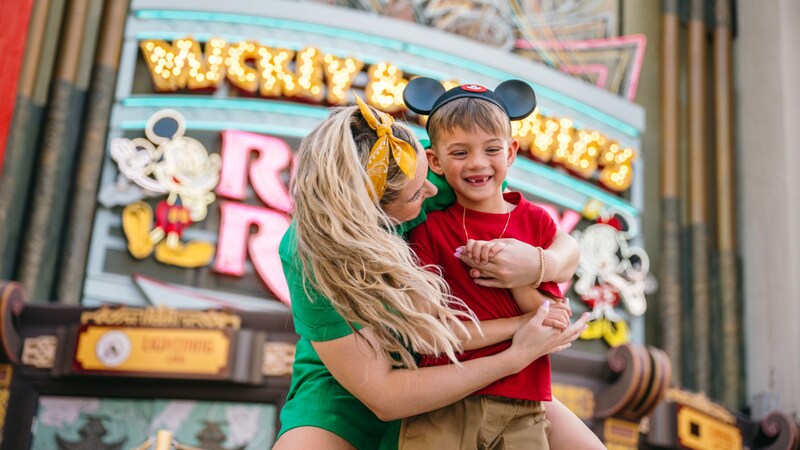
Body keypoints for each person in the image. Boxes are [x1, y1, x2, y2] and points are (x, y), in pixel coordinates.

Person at [272, 95, 595, 450]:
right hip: (350, 391)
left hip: (470, 365)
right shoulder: (311, 253)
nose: (431, 191)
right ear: (375, 213)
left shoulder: (422, 162)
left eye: (428, 179)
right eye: (415, 196)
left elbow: (564, 246)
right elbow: (384, 396)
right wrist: (516, 353)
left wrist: (536, 265)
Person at [402, 78, 575, 449]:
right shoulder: (430, 231)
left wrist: (512, 274)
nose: (478, 164)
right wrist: (521, 325)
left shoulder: (536, 222)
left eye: (491, 149)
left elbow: (553, 318)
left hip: (523, 407)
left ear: (511, 152)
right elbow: (433, 335)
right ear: (435, 160)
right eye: (460, 153)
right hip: (444, 402)